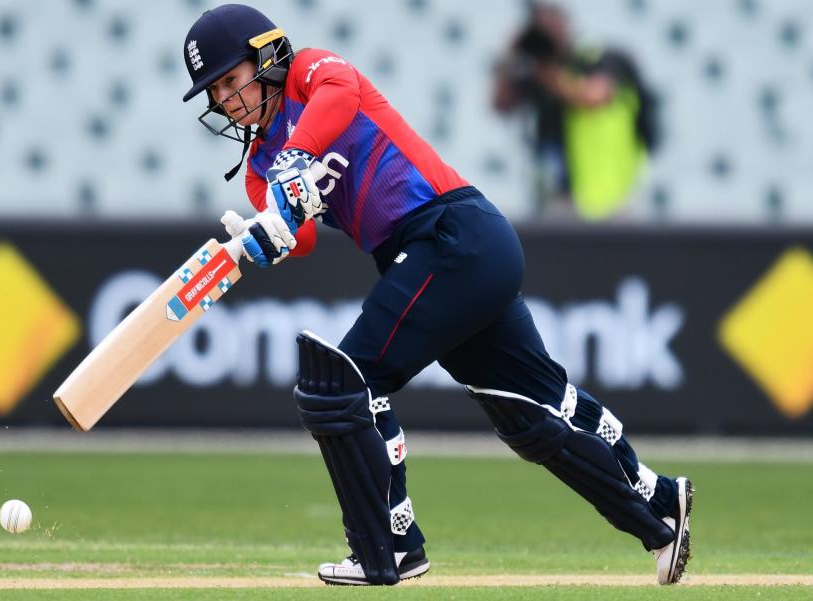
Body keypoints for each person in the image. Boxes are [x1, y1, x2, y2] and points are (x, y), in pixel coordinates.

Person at [182, 3, 691, 586]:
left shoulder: (311, 73)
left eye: (229, 79)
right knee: (530, 412)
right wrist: (262, 235)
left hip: (450, 233)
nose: (224, 99)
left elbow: (342, 93)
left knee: (340, 385)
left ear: (266, 55)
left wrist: (299, 160)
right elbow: (295, 239)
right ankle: (660, 507)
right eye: (215, 91)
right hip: (448, 254)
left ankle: (391, 546)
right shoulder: (259, 168)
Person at [492, 1, 658, 220]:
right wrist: (510, 55)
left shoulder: (600, 57)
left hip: (615, 195)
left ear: (564, 24)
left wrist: (547, 75)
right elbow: (500, 104)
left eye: (551, 22)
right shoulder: (538, 70)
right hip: (561, 196)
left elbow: (594, 96)